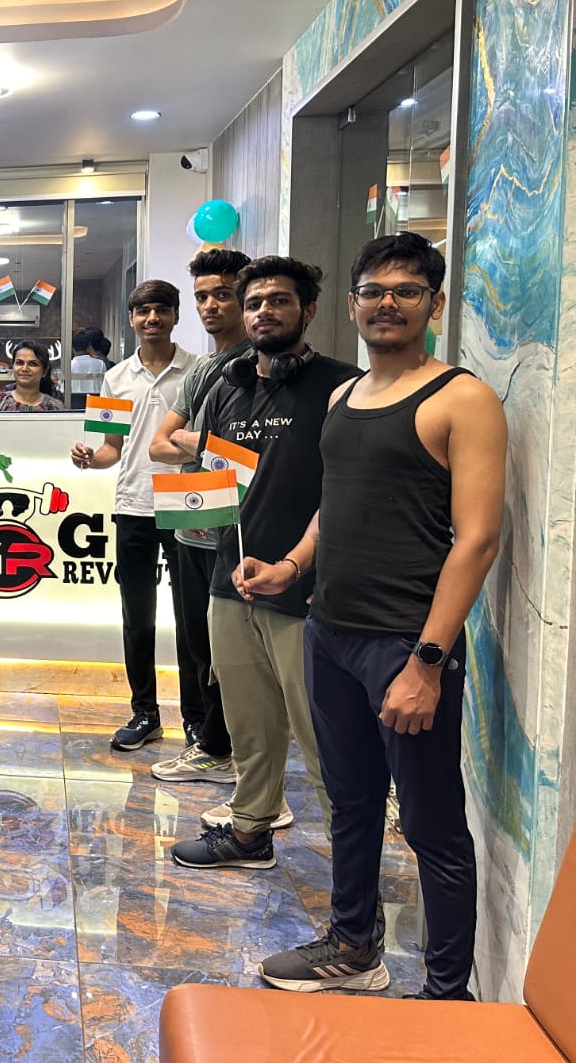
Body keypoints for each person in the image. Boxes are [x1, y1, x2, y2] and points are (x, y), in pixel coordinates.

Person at [252, 234, 505, 997]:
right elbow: (334, 506)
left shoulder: (461, 398)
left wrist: (428, 662)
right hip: (330, 632)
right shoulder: (344, 397)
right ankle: (353, 946)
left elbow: (478, 540)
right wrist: (293, 565)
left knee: (432, 826)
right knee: (351, 802)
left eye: (406, 290)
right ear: (353, 304)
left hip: (405, 642)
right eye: (373, 290)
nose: (387, 303)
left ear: (434, 302)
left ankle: (447, 995)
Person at [168, 256, 363, 870]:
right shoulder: (227, 386)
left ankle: (353, 872)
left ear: (309, 311)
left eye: (279, 301)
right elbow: (216, 475)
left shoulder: (342, 386)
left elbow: (348, 490)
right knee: (248, 723)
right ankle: (250, 831)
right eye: (254, 302)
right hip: (233, 581)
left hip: (309, 590)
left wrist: (298, 563)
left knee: (323, 734)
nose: (263, 312)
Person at [70, 280, 196, 750]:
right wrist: (90, 459)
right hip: (133, 505)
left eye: (161, 310)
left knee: (191, 619)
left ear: (175, 315)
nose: (152, 319)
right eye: (143, 311)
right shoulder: (115, 377)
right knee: (137, 617)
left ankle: (196, 718)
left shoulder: (198, 370)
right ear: (131, 319)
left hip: (187, 505)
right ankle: (145, 712)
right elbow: (111, 449)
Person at [146, 250, 253, 784]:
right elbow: (158, 445)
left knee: (237, 653)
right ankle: (212, 744)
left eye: (222, 295)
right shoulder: (204, 370)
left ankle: (232, 752)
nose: (211, 306)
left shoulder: (262, 365)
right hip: (192, 524)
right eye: (202, 297)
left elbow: (260, 461)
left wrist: (196, 445)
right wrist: (213, 447)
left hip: (245, 534)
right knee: (198, 644)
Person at [0, 340, 66, 412]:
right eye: (19, 363)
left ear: (44, 371)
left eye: (33, 364)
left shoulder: (55, 408)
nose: (24, 368)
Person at [68, 328, 107, 409]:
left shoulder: (69, 366)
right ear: (88, 346)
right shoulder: (100, 364)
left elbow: (63, 390)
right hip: (96, 405)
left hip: (74, 407)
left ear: (72, 348)